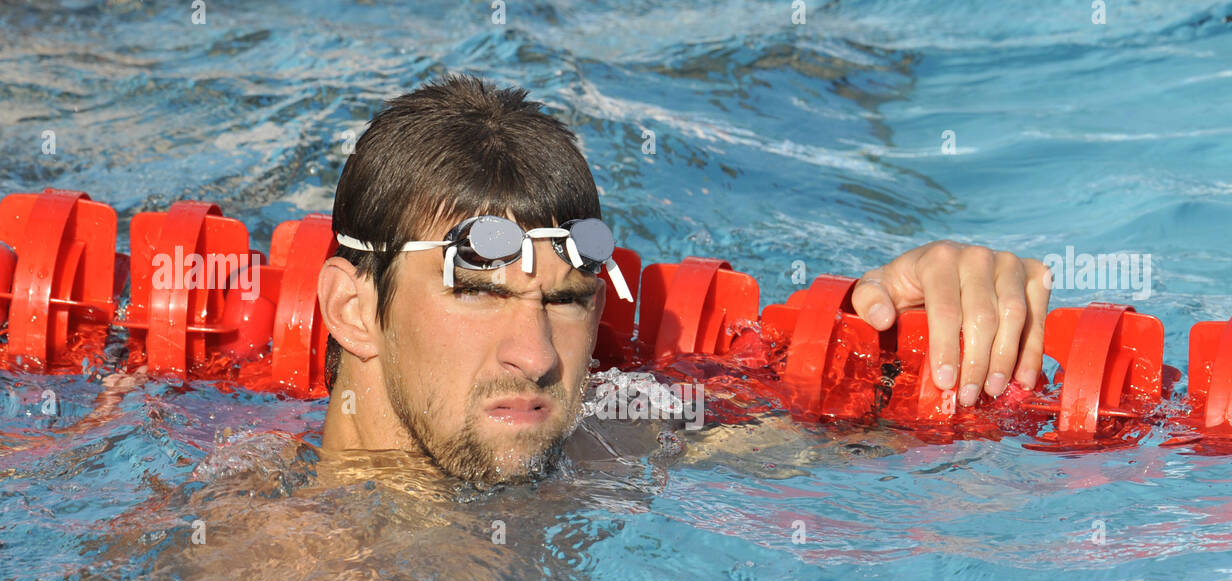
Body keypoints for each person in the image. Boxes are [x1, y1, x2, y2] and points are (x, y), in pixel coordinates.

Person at [317, 74, 1052, 485]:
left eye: (569, 301)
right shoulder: (263, 575)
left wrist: (922, 327)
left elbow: (880, 437)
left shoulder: (611, 442)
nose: (536, 356)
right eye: (480, 292)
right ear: (353, 309)